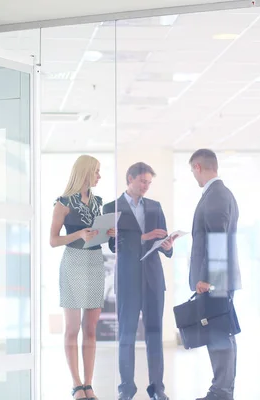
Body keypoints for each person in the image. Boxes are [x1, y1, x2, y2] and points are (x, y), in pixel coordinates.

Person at [103, 162, 174, 400]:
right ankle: (126, 389)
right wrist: (143, 237)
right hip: (128, 280)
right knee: (126, 335)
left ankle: (157, 388)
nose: (146, 186)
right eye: (143, 181)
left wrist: (167, 246)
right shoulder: (112, 208)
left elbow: (162, 239)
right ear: (130, 179)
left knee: (155, 334)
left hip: (153, 279)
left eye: (149, 183)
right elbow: (113, 245)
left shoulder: (155, 207)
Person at [50, 155, 115, 400]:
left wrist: (109, 233)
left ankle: (89, 384)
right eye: (96, 171)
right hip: (74, 263)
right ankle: (76, 384)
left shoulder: (99, 202)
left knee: (91, 328)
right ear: (85, 172)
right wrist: (78, 233)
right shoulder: (63, 202)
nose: (99, 176)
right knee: (72, 328)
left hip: (95, 263)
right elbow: (53, 240)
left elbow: (99, 236)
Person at [187, 149, 241, 400]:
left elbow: (217, 240)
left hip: (214, 281)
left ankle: (221, 391)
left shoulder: (216, 195)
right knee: (221, 333)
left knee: (219, 334)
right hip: (217, 279)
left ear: (198, 167)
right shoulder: (221, 194)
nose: (194, 177)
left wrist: (209, 281)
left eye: (192, 171)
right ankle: (222, 390)